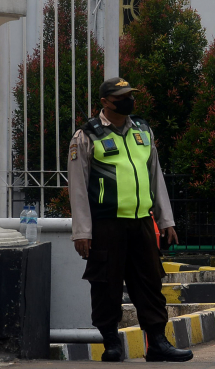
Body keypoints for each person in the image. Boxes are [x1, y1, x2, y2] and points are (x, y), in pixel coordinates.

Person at [68, 77, 192, 363]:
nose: (128, 101)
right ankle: (111, 343)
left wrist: (166, 220)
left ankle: (157, 343)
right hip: (106, 225)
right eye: (121, 97)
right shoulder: (87, 135)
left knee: (150, 284)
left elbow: (155, 177)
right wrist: (81, 232)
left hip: (141, 223)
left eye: (130, 95)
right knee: (105, 286)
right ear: (105, 102)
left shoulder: (143, 130)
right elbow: (77, 187)